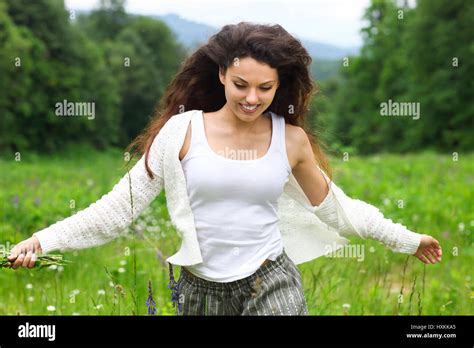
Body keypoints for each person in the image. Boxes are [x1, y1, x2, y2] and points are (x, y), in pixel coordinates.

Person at [8, 22, 442, 316]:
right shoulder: (182, 132)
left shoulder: (290, 140)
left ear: (279, 85)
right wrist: (42, 241)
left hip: (271, 281)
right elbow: (117, 209)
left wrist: (406, 239)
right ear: (220, 76)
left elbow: (338, 209)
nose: (252, 98)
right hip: (199, 293)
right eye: (240, 85)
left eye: (265, 88)